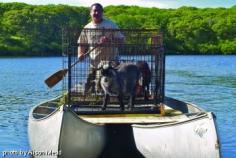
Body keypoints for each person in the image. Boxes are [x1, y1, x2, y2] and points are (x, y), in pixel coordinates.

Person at [78, 3, 124, 94]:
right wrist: (80, 54)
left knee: (102, 85)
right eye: (94, 11)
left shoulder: (111, 25)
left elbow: (122, 41)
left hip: (110, 62)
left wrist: (110, 40)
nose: (96, 13)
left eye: (98, 11)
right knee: (87, 85)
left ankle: (104, 100)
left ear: (102, 13)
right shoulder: (87, 28)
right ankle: (87, 98)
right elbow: (81, 43)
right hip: (94, 62)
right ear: (90, 13)